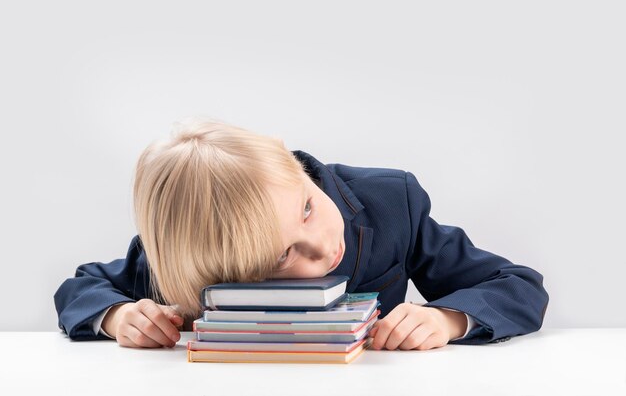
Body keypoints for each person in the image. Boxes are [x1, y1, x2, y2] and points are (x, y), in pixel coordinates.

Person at [54, 119, 549, 350]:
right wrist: (119, 316)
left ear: (292, 165)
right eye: (285, 255)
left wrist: (449, 319)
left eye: (308, 209)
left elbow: (517, 284)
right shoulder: (186, 258)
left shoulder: (391, 202)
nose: (325, 249)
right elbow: (81, 288)